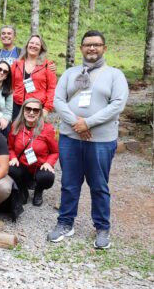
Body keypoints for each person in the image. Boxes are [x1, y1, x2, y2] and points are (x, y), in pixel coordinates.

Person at [47, 30, 128, 249]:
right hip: (70, 138)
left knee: (99, 185)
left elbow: (117, 104)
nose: (92, 48)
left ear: (104, 48)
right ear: (81, 48)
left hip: (101, 141)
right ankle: (65, 223)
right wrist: (77, 123)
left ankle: (102, 228)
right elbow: (58, 100)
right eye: (87, 45)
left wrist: (88, 123)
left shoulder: (114, 75)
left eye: (96, 45)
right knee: (69, 183)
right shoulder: (70, 73)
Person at [8, 98, 58, 206]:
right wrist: (13, 157)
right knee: (10, 169)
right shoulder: (15, 127)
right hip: (22, 166)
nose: (31, 112)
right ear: (23, 110)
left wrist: (49, 163)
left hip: (39, 166)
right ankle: (22, 190)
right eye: (28, 109)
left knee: (47, 177)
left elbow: (55, 152)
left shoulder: (48, 129)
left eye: (35, 110)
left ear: (40, 113)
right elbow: (10, 147)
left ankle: (38, 191)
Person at [11, 35, 57, 119]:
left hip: (36, 107)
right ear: (27, 45)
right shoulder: (16, 64)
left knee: (35, 132)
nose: (33, 46)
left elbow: (52, 89)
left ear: (41, 48)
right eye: (31, 43)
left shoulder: (48, 65)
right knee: (16, 131)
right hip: (17, 106)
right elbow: (11, 85)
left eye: (37, 44)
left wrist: (46, 108)